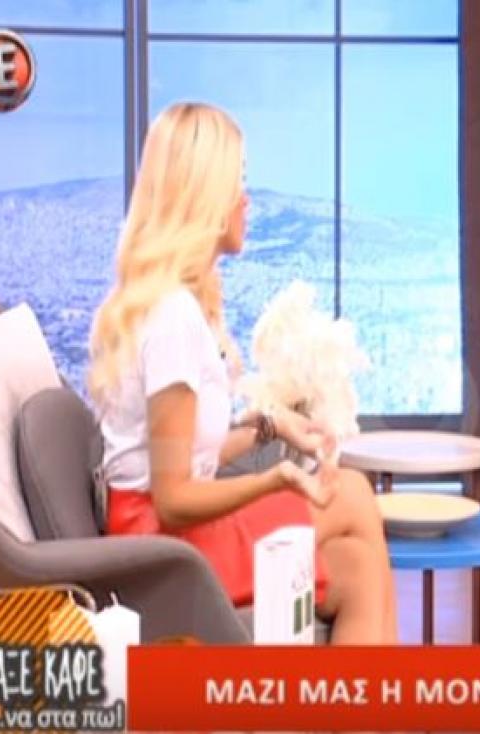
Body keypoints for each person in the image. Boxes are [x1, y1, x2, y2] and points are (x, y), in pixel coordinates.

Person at [88, 101, 397, 644]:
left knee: (356, 568)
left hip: (165, 534)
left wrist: (270, 427)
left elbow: (188, 456)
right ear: (206, 197)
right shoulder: (172, 318)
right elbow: (173, 499)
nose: (246, 199)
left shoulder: (169, 305)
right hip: (161, 551)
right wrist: (274, 479)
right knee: (350, 493)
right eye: (239, 182)